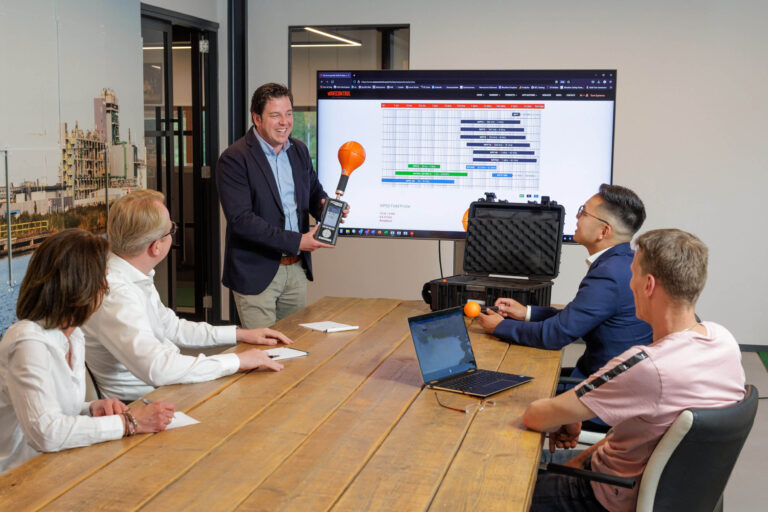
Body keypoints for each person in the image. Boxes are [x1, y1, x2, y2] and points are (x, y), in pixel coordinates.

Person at [523, 229, 746, 512]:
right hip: (660, 490)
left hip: (596, 496)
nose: (630, 284)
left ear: (648, 284)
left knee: (495, 477)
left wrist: (564, 414)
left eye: (633, 274)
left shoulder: (647, 365)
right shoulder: (723, 340)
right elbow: (640, 435)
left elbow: (536, 417)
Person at [83, 190, 291, 403]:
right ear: (156, 247)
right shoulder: (115, 294)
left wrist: (240, 335)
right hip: (144, 402)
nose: (173, 232)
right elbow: (158, 369)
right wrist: (236, 361)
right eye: (171, 229)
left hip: (164, 390)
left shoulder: (132, 274)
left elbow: (172, 327)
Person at [0, 229, 174, 474]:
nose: (105, 287)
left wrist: (91, 409)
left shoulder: (73, 335)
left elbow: (48, 411)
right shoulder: (27, 342)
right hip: (18, 481)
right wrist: (129, 423)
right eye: (101, 278)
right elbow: (46, 433)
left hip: (56, 468)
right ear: (78, 285)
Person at [477, 184, 653, 381]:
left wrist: (499, 327)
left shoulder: (609, 275)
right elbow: (576, 318)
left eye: (583, 213)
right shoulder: (624, 263)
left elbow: (555, 335)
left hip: (601, 391)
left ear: (603, 231)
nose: (577, 217)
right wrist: (526, 312)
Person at [216, 82, 348, 329]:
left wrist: (327, 210)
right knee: (265, 353)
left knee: (295, 347)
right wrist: (298, 241)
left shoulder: (298, 150)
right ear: (257, 118)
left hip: (295, 269)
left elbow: (313, 194)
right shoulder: (234, 159)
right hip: (255, 272)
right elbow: (242, 221)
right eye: (275, 115)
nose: (284, 122)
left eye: (288, 114)